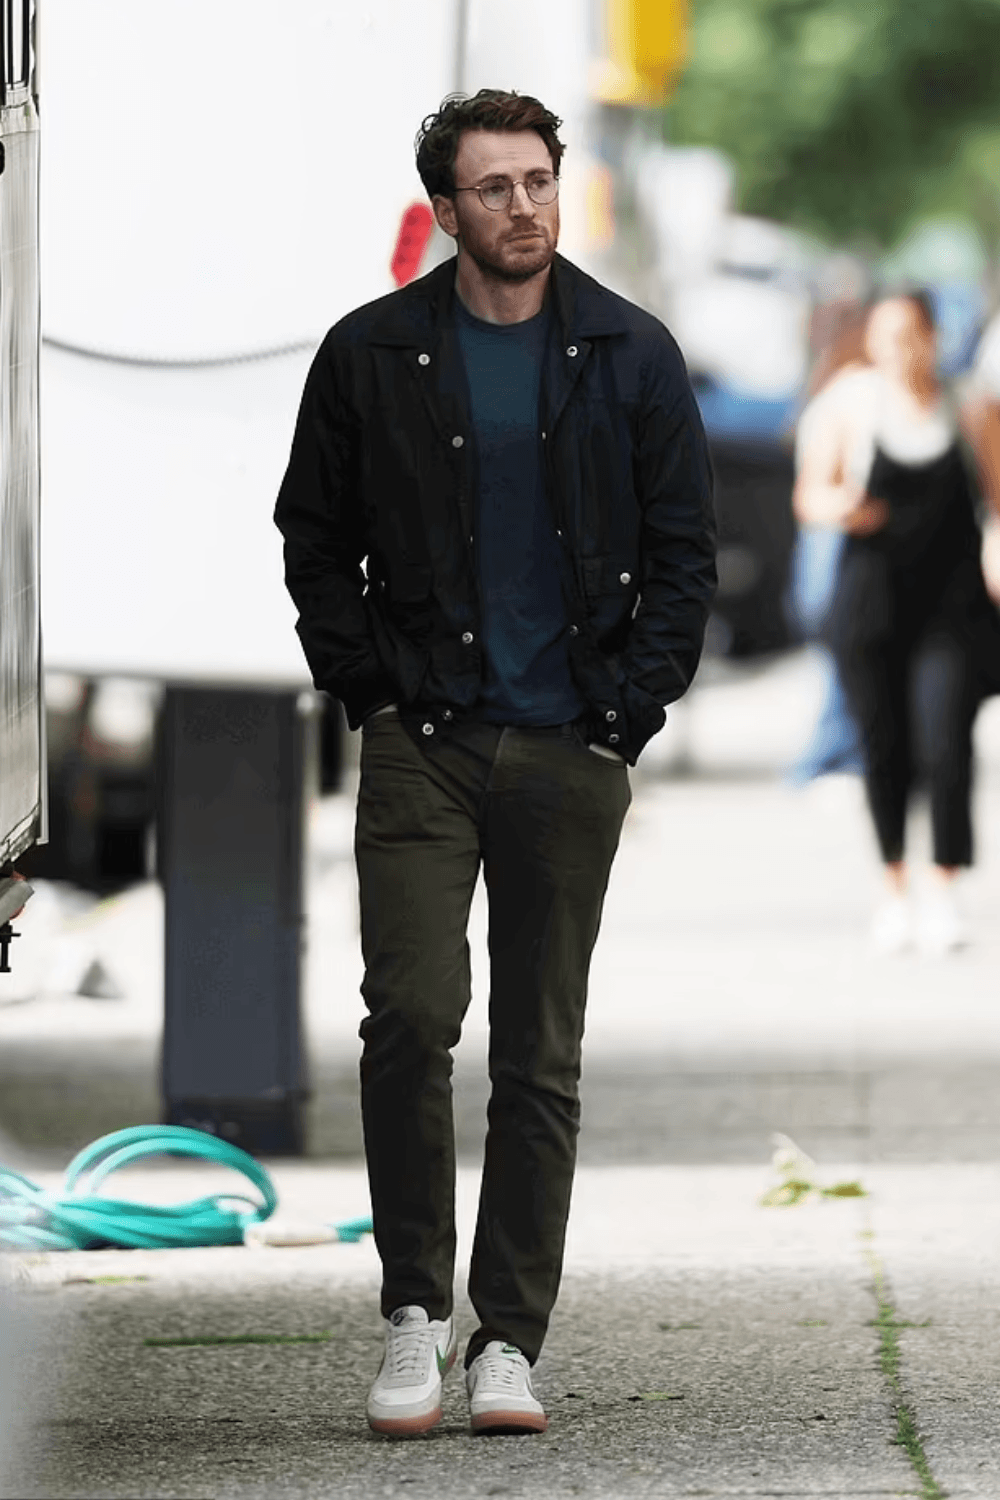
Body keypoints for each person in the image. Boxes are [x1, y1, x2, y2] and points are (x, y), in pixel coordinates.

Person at [273, 89, 716, 1437]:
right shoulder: (372, 355)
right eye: (496, 188)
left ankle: (507, 1338)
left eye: (539, 181)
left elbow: (685, 553)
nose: (524, 206)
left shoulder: (631, 354)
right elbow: (313, 536)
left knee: (539, 1055)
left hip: (571, 746)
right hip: (427, 743)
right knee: (408, 1019)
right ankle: (416, 1311)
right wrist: (367, 691)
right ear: (447, 209)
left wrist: (626, 716)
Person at [794, 291, 997, 954]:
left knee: (946, 744)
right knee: (885, 750)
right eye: (886, 335)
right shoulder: (849, 404)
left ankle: (943, 887)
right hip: (871, 604)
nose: (900, 348)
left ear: (934, 337)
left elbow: (996, 497)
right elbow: (810, 495)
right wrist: (843, 506)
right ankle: (894, 885)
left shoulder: (966, 407)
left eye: (911, 334)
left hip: (953, 607)